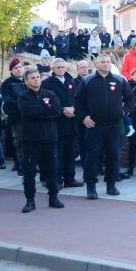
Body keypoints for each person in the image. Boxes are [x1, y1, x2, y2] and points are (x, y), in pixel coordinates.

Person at [74, 53, 133, 199]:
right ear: (96, 64)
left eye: (108, 62)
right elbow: (78, 101)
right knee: (92, 156)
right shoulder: (87, 80)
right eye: (103, 62)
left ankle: (111, 185)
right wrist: (84, 117)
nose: (106, 64)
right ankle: (91, 187)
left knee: (113, 155)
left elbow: (130, 97)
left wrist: (124, 112)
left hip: (114, 125)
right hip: (94, 126)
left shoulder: (119, 80)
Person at [17, 67, 64, 213]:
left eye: (38, 77)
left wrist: (42, 109)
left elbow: (56, 111)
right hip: (31, 140)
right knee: (29, 172)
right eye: (32, 78)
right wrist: (45, 108)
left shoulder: (50, 94)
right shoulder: (23, 97)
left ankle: (53, 197)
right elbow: (28, 112)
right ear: (26, 81)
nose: (36, 79)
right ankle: (30, 200)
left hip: (50, 139)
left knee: (52, 169)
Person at [41, 58, 83, 188]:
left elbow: (78, 99)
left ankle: (70, 178)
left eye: (63, 67)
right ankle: (56, 180)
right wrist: (62, 109)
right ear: (53, 69)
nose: (61, 69)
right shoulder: (47, 83)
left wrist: (74, 109)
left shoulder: (71, 81)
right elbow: (45, 102)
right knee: (56, 154)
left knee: (70, 153)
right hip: (56, 124)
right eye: (58, 67)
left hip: (71, 124)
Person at [1, 57, 27, 174]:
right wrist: (22, 105)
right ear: (11, 70)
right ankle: (21, 166)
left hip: (30, 117)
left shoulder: (27, 79)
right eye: (15, 68)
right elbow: (7, 99)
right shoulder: (7, 83)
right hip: (16, 117)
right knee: (19, 143)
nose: (18, 70)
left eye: (20, 67)